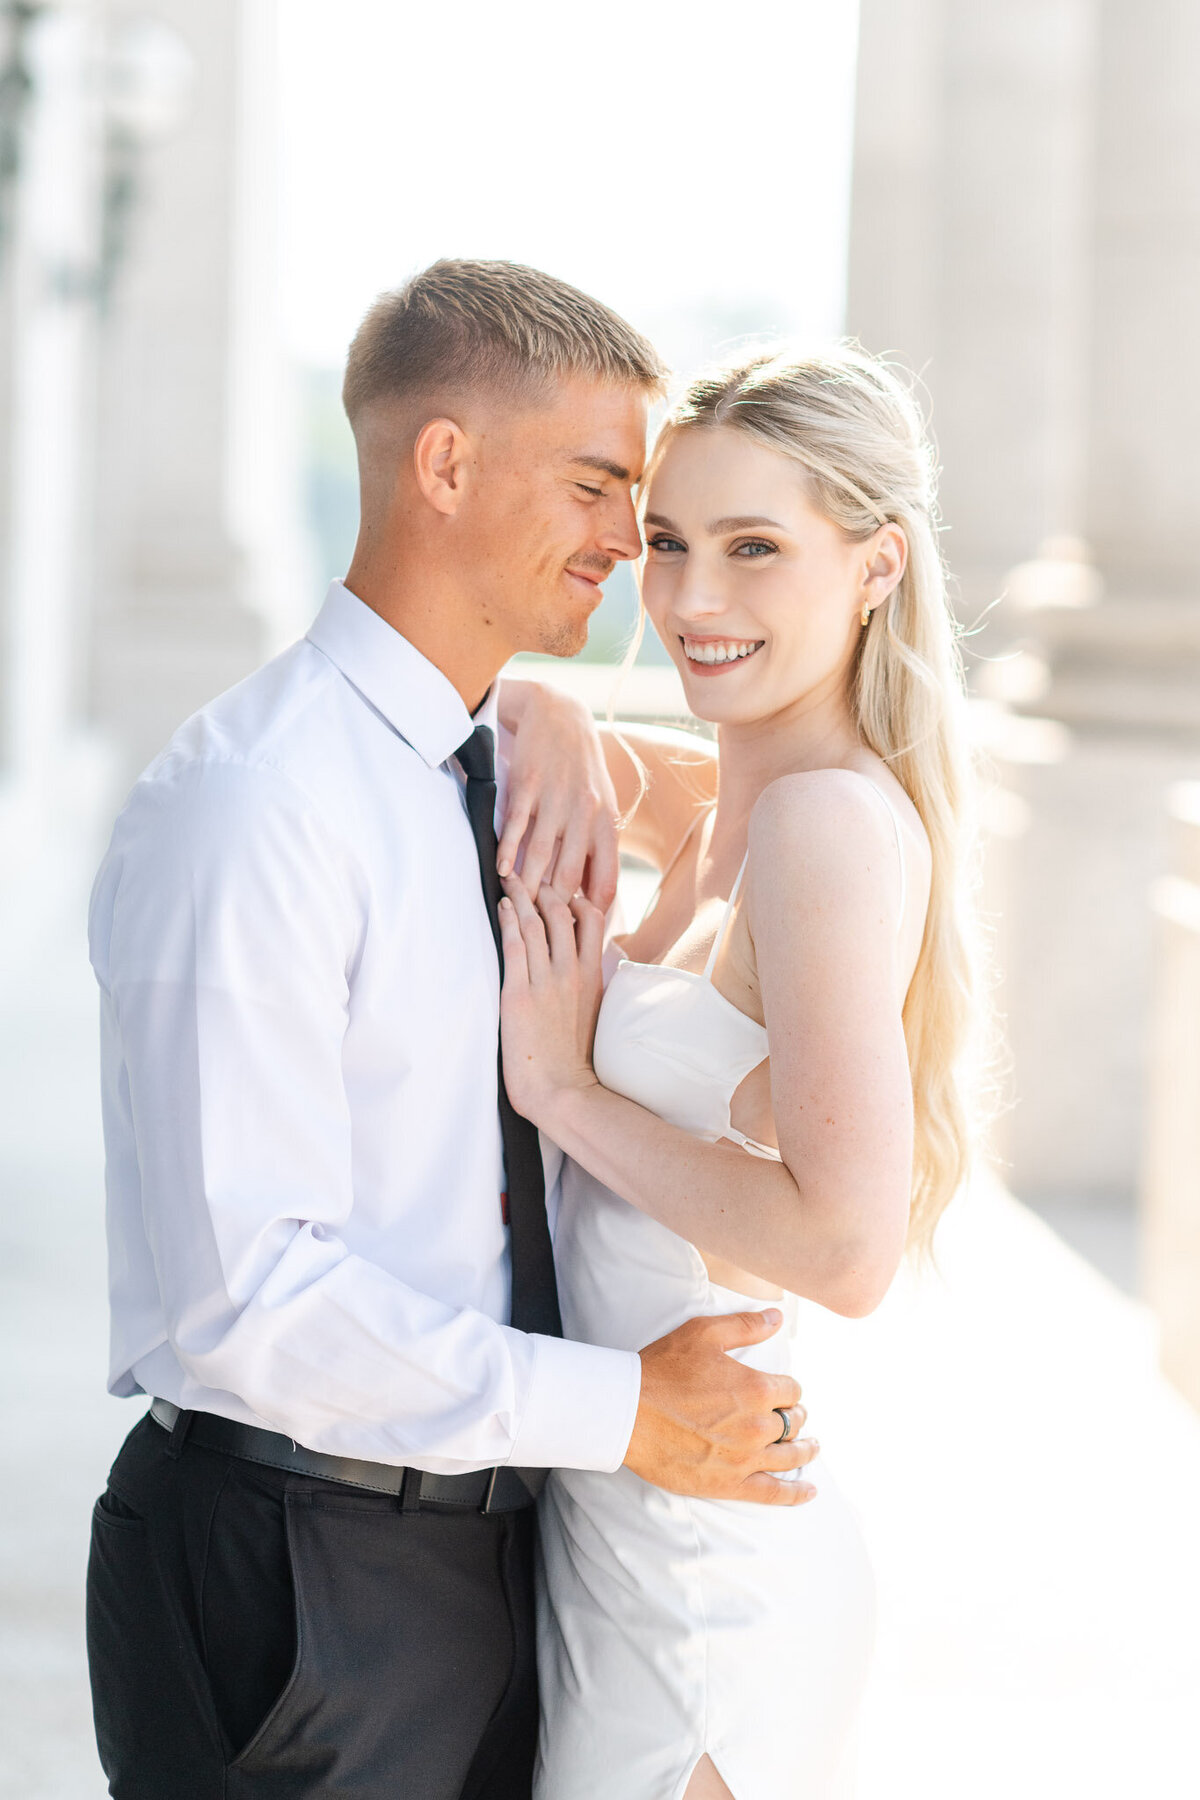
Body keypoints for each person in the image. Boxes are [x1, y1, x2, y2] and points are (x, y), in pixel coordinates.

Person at [84, 263, 818, 1800]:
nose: (632, 540)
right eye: (597, 481)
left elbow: (800, 783)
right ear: (444, 466)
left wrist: (561, 716)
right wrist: (631, 1415)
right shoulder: (258, 805)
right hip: (299, 1569)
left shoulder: (488, 762)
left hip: (492, 1543)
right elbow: (248, 1301)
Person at [496, 343, 979, 1800]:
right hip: (629, 1529)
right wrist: (559, 709)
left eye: (755, 549)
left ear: (876, 567)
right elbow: (513, 722)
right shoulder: (738, 791)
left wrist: (566, 1093)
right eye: (667, 543)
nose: (694, 600)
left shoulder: (819, 826)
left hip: (710, 1583)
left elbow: (845, 1248)